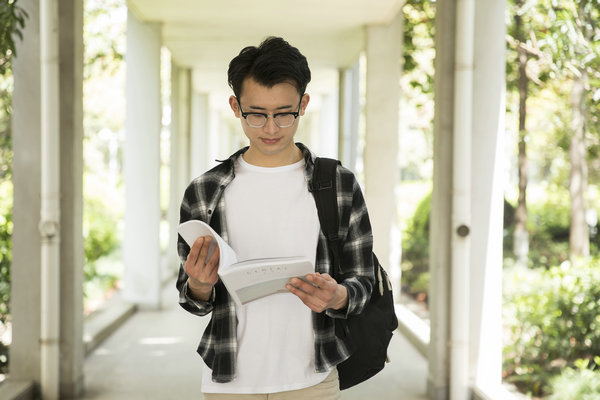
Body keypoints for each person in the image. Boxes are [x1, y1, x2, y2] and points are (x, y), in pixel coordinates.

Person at [176, 36, 375, 400]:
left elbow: (365, 281)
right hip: (230, 383)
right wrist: (200, 284)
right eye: (257, 114)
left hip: (312, 380)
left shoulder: (337, 184)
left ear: (304, 104)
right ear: (236, 106)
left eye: (285, 113)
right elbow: (192, 299)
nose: (271, 128)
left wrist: (338, 296)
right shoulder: (205, 191)